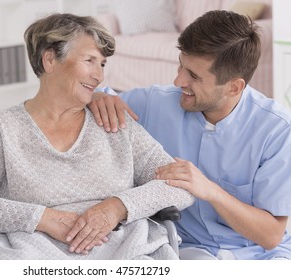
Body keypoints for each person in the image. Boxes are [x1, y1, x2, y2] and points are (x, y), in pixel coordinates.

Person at [0, 13, 194, 260]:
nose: (99, 76)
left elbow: (180, 184)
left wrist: (116, 207)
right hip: (33, 254)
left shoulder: (113, 120)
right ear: (50, 60)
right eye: (89, 60)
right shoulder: (2, 126)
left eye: (103, 64)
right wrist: (42, 218)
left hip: (127, 251)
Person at [89, 10, 291, 260]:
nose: (178, 81)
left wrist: (208, 189)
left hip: (260, 256)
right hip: (188, 249)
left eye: (194, 76)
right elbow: (93, 99)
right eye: (181, 66)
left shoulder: (278, 130)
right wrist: (97, 96)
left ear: (234, 87)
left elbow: (270, 235)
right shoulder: (155, 103)